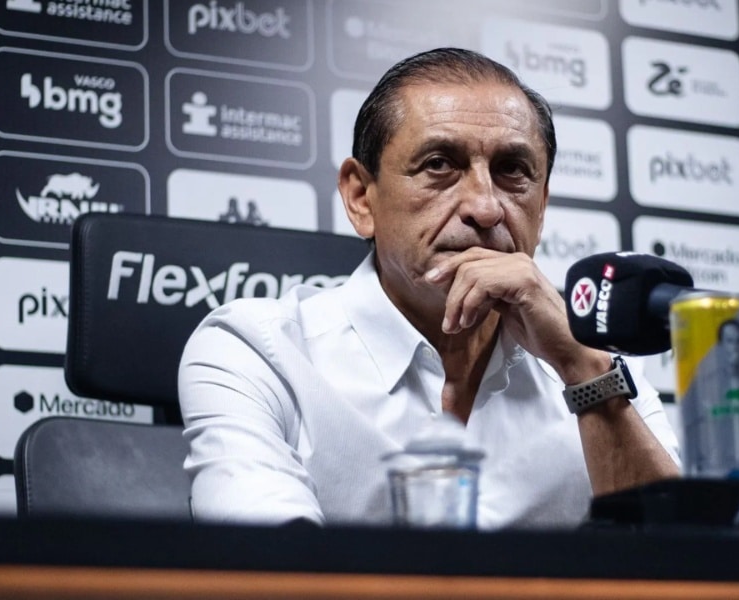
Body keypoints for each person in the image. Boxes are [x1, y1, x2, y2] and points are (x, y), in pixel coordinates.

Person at [178, 47, 680, 529]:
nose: (485, 208)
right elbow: (267, 575)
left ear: (542, 203)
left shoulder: (603, 364)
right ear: (360, 198)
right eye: (440, 164)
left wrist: (583, 370)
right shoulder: (259, 351)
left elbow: (682, 570)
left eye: (512, 171)